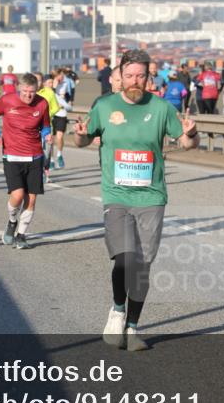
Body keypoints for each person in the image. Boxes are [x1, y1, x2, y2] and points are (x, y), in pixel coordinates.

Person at [74, 49, 199, 351]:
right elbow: (82, 138)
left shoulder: (161, 108)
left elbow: (186, 144)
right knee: (124, 258)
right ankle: (118, 308)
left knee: (142, 265)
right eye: (129, 75)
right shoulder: (105, 106)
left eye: (141, 75)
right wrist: (79, 134)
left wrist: (191, 134)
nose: (135, 80)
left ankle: (132, 327)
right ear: (120, 76)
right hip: (116, 194)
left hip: (151, 196)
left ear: (148, 77)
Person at [0, 74, 51, 250]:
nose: (28, 96)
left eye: (32, 92)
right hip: (12, 155)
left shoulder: (42, 103)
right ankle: (12, 221)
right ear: (18, 89)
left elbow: (46, 125)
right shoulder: (7, 100)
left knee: (31, 200)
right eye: (25, 91)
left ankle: (21, 235)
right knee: (17, 195)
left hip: (35, 155)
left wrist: (47, 134)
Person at [52, 68, 75, 168]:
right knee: (51, 139)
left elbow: (70, 95)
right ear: (55, 76)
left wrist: (69, 101)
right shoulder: (50, 83)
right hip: (51, 114)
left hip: (62, 113)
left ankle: (59, 154)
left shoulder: (66, 83)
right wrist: (54, 87)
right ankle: (51, 159)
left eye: (62, 75)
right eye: (59, 75)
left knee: (60, 136)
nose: (61, 77)